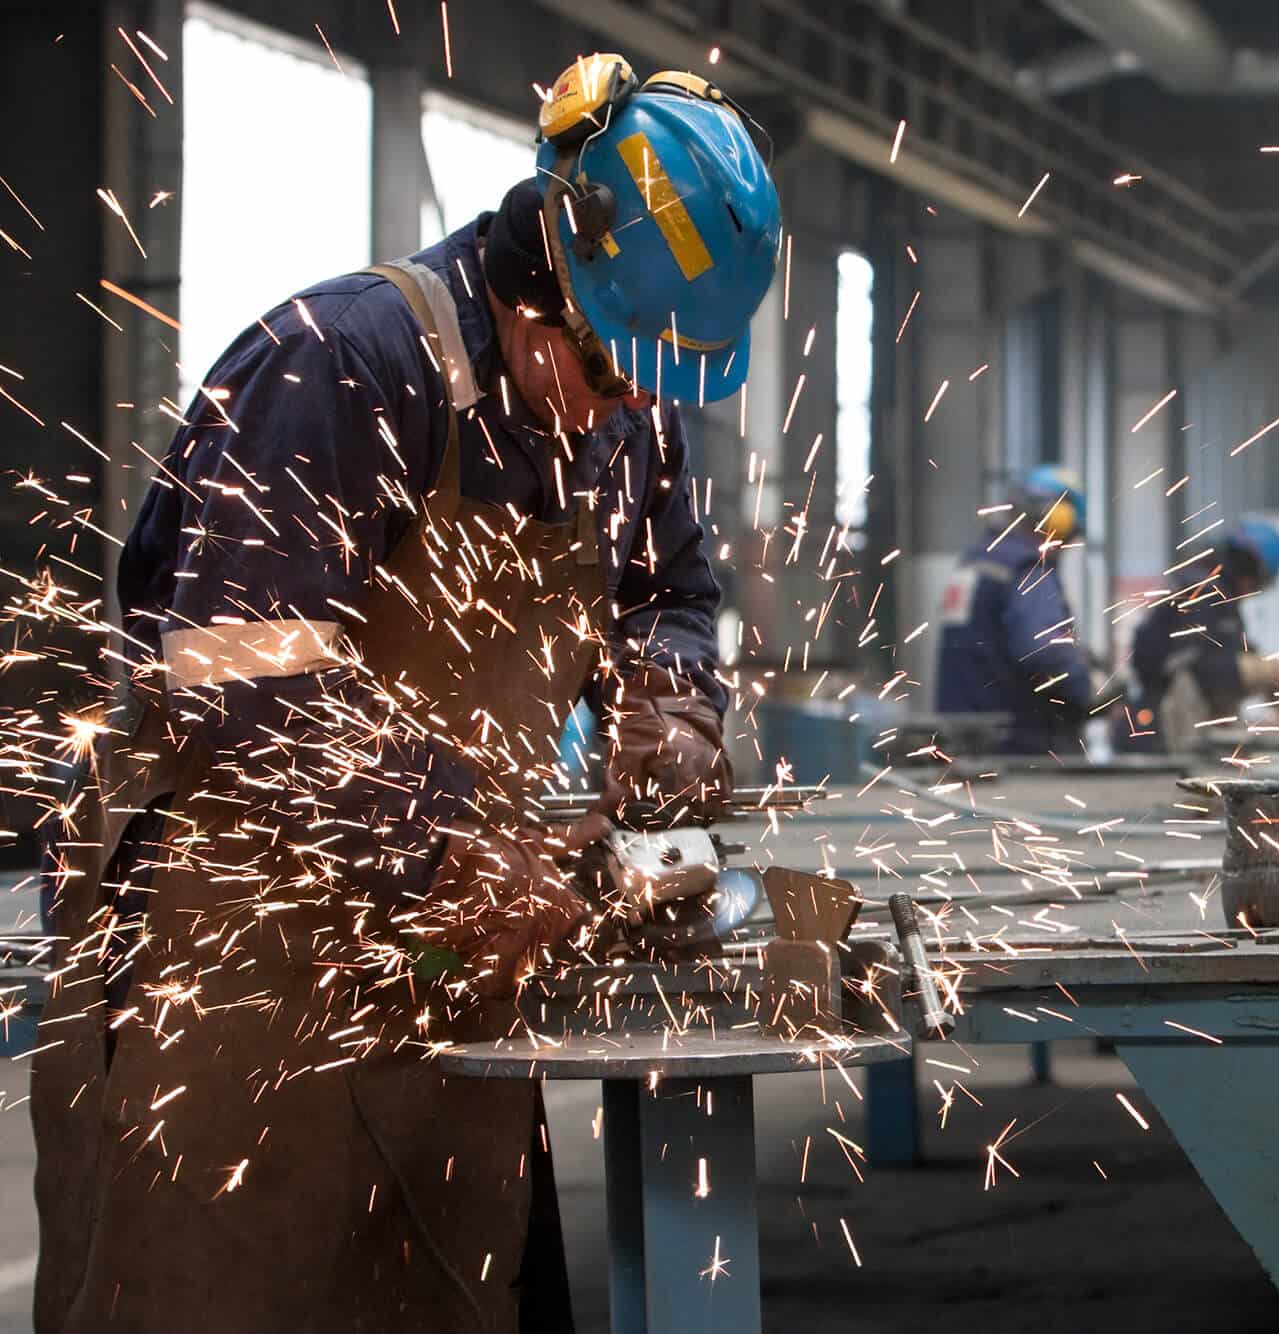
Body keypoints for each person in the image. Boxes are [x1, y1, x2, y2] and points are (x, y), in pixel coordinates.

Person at [31, 54, 779, 1332]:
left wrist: (670, 697)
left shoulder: (624, 408)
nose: (629, 409)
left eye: (657, 383)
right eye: (610, 373)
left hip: (434, 961)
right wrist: (444, 837)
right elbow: (239, 684)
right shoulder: (335, 367)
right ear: (540, 280)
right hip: (228, 975)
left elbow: (670, 588)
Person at [932, 465, 1094, 753]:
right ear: (1057, 520)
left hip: (966, 742)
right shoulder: (1025, 567)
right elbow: (1045, 652)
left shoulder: (973, 560)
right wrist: (1087, 690)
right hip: (1019, 745)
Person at [1116, 518, 1279, 753]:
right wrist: (1250, 671)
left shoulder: (1219, 597)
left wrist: (1262, 666)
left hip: (1176, 734)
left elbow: (1225, 647)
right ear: (1250, 570)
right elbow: (1199, 667)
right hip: (1160, 738)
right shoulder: (1200, 592)